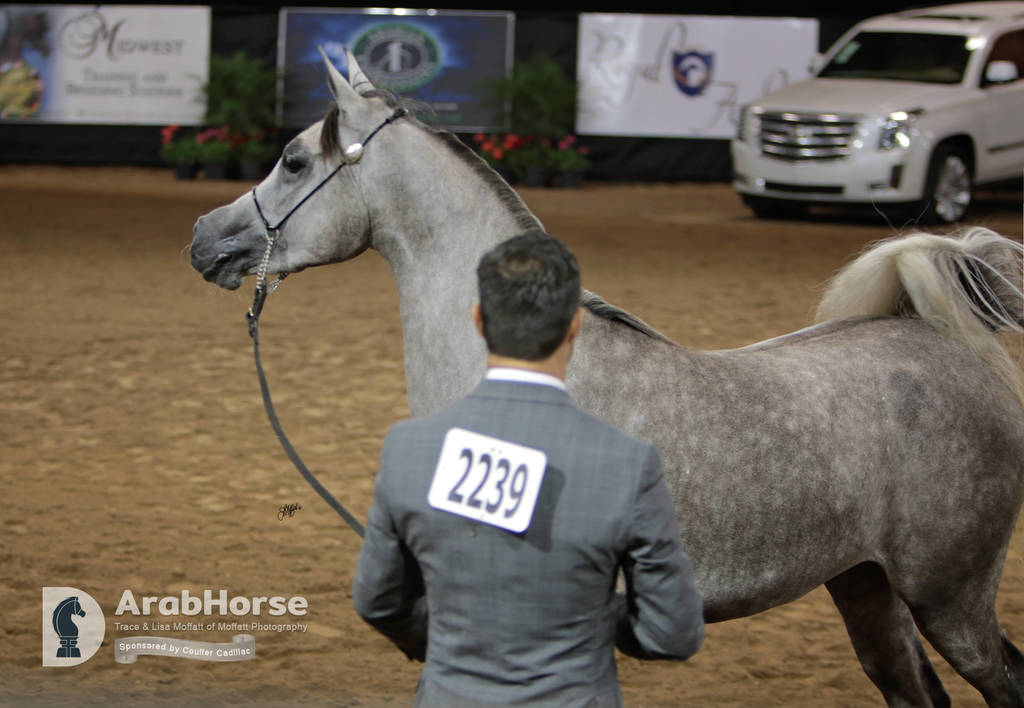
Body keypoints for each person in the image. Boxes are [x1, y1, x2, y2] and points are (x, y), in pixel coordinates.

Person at [352, 229, 704, 707]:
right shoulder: (628, 463)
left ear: (478, 321)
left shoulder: (407, 447)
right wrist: (596, 619)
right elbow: (672, 633)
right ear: (576, 325)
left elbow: (378, 599)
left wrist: (446, 638)